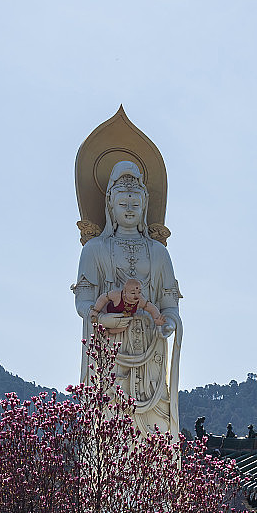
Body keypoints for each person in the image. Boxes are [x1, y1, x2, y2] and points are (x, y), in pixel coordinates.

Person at [73, 161, 182, 435]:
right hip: (109, 351)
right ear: (111, 205)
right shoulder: (95, 250)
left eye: (135, 204)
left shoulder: (159, 253)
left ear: (145, 204)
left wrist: (169, 322)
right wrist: (101, 317)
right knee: (110, 425)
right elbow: (83, 301)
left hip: (150, 352)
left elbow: (169, 303)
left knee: (155, 430)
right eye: (123, 204)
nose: (130, 209)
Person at [91, 278, 166, 333]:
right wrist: (96, 310)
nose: (136, 296)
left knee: (123, 327)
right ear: (124, 292)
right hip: (107, 313)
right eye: (133, 293)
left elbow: (152, 308)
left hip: (122, 321)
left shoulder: (140, 301)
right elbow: (103, 297)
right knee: (98, 321)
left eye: (139, 292)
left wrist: (157, 319)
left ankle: (108, 332)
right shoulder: (117, 295)